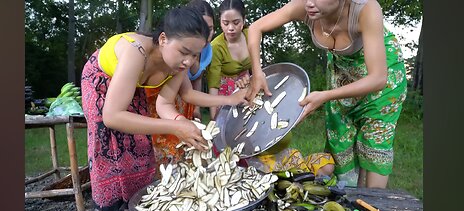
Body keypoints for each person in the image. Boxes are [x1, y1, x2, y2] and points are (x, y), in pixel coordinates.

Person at [81, 7, 246, 211]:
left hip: (133, 87)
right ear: (163, 39)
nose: (188, 61)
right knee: (110, 154)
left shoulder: (177, 65)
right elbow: (112, 116)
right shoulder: (136, 52)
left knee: (139, 149)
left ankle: (137, 210)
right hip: (101, 84)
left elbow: (166, 103)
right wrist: (174, 127)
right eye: (185, 51)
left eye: (195, 55)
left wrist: (181, 120)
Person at [246, 0, 407, 188]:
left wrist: (326, 96)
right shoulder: (305, 5)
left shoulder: (366, 9)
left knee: (373, 143)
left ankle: (373, 203)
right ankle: (347, 200)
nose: (309, 3)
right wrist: (257, 72)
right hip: (341, 74)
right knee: (340, 137)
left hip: (382, 77)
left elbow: (378, 78)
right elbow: (255, 28)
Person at [149, 0, 216, 171]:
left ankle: (181, 167)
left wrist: (196, 109)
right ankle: (161, 169)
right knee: (164, 135)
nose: (205, 33)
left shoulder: (205, 51)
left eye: (210, 28)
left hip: (184, 96)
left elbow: (197, 79)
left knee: (183, 136)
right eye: (201, 25)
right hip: (166, 92)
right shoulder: (175, 52)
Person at [206, 0, 252, 120]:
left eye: (236, 22)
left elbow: (256, 66)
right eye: (225, 23)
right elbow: (213, 85)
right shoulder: (216, 46)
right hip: (225, 93)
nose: (231, 28)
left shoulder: (251, 34)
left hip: (248, 85)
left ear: (244, 19)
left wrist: (251, 79)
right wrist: (213, 117)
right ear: (220, 22)